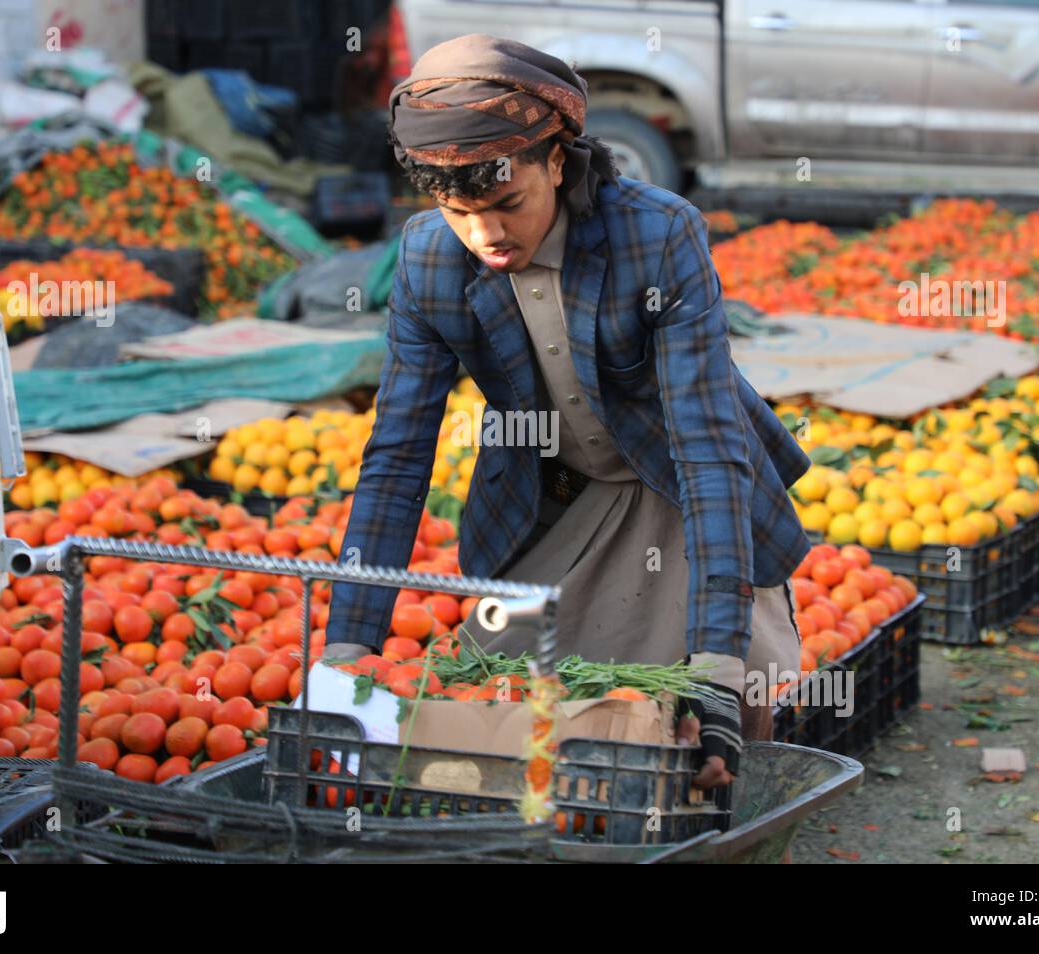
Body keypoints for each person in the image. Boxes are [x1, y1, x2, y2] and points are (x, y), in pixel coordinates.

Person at [324, 34, 811, 789]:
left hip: (681, 485)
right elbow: (396, 459)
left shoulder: (657, 235)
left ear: (556, 160)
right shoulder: (427, 260)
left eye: (507, 203)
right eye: (458, 211)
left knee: (707, 709)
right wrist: (348, 647)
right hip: (556, 495)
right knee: (528, 708)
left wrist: (716, 658)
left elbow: (708, 447)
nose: (485, 235)